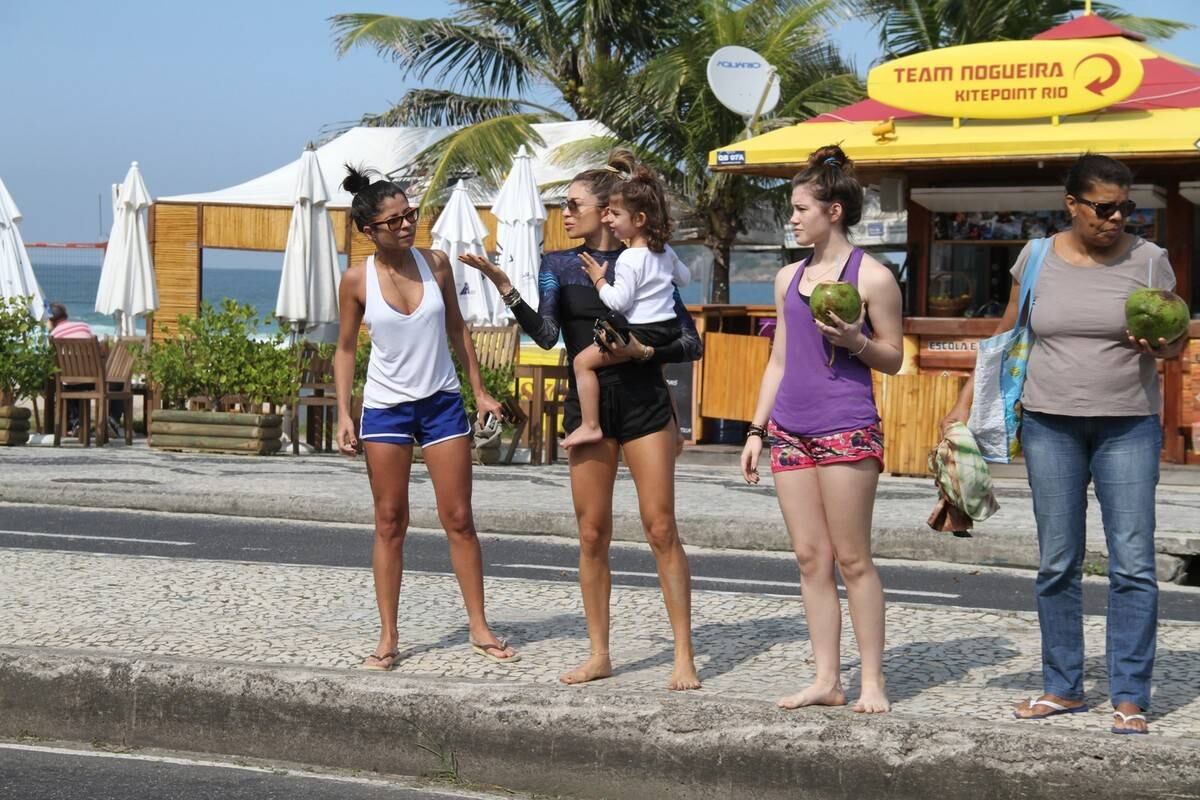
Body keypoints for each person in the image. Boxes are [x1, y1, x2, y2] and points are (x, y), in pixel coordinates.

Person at [940, 154, 1186, 735]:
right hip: (1050, 424)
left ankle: (1129, 693)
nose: (1117, 218)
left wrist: (1160, 346)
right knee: (1058, 561)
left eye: (1127, 207)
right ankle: (1063, 686)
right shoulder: (1036, 257)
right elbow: (1007, 331)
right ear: (1072, 204)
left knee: (1132, 562)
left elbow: (1174, 346)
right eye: (1104, 207)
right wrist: (965, 401)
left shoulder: (1151, 262)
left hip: (1128, 424)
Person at [460, 150, 703, 690]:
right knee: (592, 533)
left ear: (607, 208)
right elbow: (548, 337)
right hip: (588, 406)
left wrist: (639, 351)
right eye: (562, 206)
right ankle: (600, 653)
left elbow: (690, 341)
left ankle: (683, 654)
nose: (565, 215)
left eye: (573, 205)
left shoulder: (650, 258)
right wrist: (505, 287)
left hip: (644, 404)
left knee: (661, 528)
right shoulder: (559, 265)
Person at [739, 145, 904, 714]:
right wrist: (756, 429)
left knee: (853, 557)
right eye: (792, 208)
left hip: (846, 428)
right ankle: (826, 679)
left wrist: (855, 340)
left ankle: (872, 683)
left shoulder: (874, 278)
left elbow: (894, 358)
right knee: (811, 558)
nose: (792, 217)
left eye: (801, 208)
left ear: (833, 210)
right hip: (790, 428)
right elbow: (780, 362)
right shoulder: (788, 278)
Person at [333, 165, 516, 671]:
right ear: (369, 230)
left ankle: (479, 627)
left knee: (459, 519)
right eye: (394, 220)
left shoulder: (436, 264)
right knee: (390, 522)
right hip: (385, 407)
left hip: (441, 402)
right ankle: (388, 637)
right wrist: (345, 414)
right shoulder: (356, 280)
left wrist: (479, 391)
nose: (406, 224)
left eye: (410, 214)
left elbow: (459, 331)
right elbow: (345, 350)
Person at [562, 163, 690, 450]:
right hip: (667, 329)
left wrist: (598, 281)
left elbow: (619, 301)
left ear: (639, 218)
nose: (611, 220)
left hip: (641, 331)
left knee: (582, 362)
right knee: (657, 371)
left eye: (616, 215)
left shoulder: (629, 258)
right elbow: (684, 278)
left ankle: (590, 425)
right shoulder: (664, 251)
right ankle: (676, 427)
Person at [47, 304, 97, 435]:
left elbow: (52, 360)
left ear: (51, 320)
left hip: (70, 381)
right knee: (74, 383)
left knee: (67, 384)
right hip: (92, 378)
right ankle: (108, 421)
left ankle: (76, 424)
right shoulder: (84, 326)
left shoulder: (54, 335)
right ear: (66, 316)